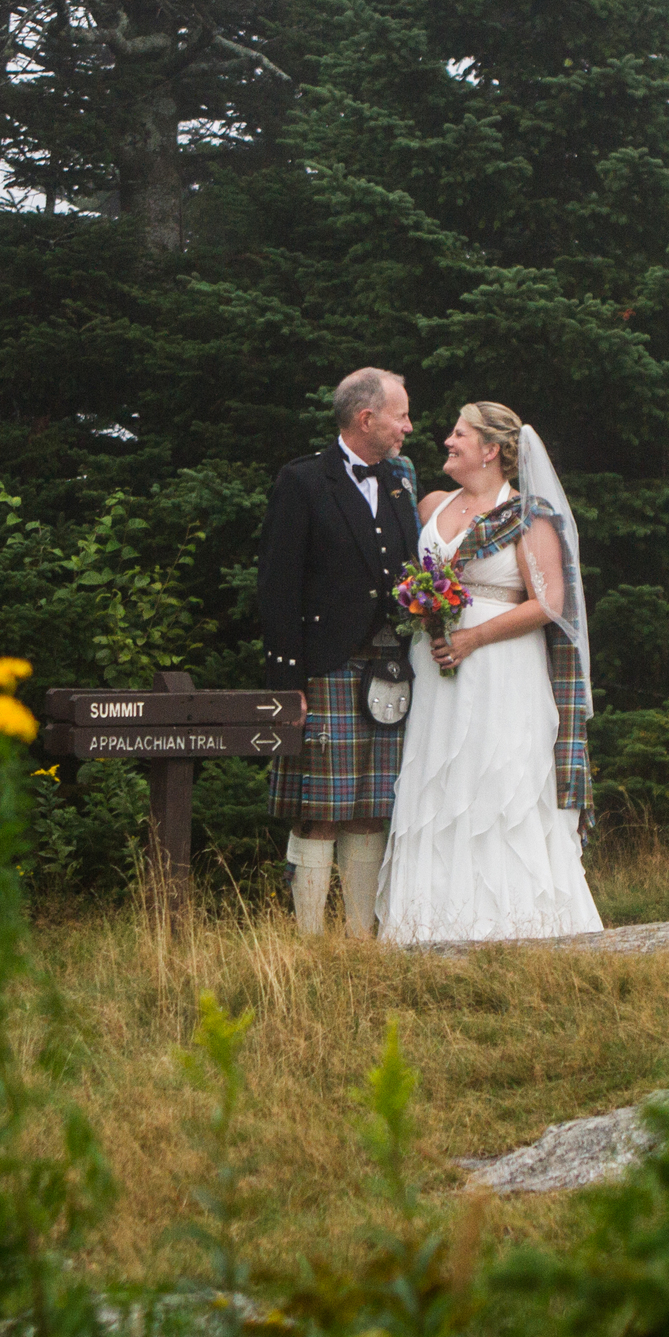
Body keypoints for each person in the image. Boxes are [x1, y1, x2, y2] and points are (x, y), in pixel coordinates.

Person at [375, 402, 602, 944]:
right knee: (438, 779)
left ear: (491, 450)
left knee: (497, 780)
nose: (447, 441)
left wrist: (474, 637)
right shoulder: (432, 504)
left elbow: (549, 603)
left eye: (459, 434)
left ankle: (520, 926)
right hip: (435, 671)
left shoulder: (528, 514)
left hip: (502, 671)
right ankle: (425, 929)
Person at [258, 367, 420, 936]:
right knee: (320, 811)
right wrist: (288, 682)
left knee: (374, 809)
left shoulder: (400, 482)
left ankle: (358, 937)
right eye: (400, 415)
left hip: (392, 669)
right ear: (365, 417)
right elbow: (278, 586)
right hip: (326, 666)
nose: (408, 426)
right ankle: (308, 939)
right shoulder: (302, 481)